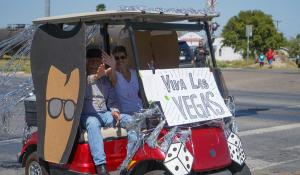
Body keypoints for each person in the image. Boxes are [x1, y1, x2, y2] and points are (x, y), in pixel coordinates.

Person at [80, 48, 137, 175]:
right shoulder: (81, 78)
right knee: (93, 123)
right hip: (87, 115)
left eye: (97, 61)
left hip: (104, 114)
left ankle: (129, 161)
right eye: (92, 61)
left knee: (131, 120)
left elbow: (112, 101)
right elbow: (83, 84)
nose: (94, 64)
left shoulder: (105, 80)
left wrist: (115, 111)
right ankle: (101, 166)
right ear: (86, 62)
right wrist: (96, 76)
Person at [102, 46, 143, 115]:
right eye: (116, 58)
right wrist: (112, 65)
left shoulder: (135, 73)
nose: (120, 60)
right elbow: (112, 80)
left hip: (140, 111)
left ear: (127, 58)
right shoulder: (111, 72)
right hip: (124, 114)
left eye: (122, 57)